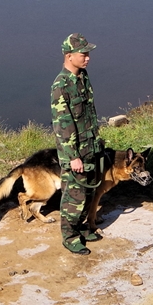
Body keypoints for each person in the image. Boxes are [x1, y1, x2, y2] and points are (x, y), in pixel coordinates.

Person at [50, 33, 103, 256]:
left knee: (89, 192)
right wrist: (73, 157)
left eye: (88, 53)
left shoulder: (83, 77)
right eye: (84, 54)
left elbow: (88, 113)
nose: (88, 58)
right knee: (74, 197)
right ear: (69, 56)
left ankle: (82, 227)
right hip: (75, 153)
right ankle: (70, 236)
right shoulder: (61, 86)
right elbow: (63, 125)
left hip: (90, 147)